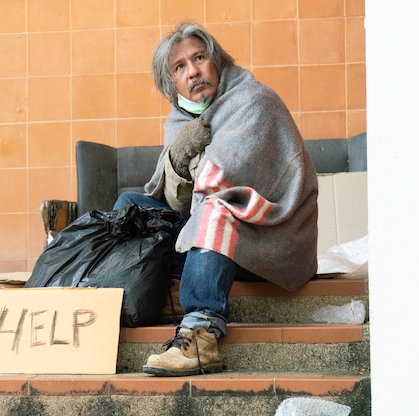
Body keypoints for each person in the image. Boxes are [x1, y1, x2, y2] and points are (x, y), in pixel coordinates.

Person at [113, 22, 318, 377]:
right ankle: (151, 293)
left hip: (269, 239)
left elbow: (223, 184)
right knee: (130, 206)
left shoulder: (253, 101)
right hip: (213, 237)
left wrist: (191, 167)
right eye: (180, 67)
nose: (193, 71)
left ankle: (200, 333)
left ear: (217, 61)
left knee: (215, 208)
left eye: (199, 58)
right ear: (171, 85)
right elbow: (176, 203)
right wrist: (177, 157)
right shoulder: (181, 118)